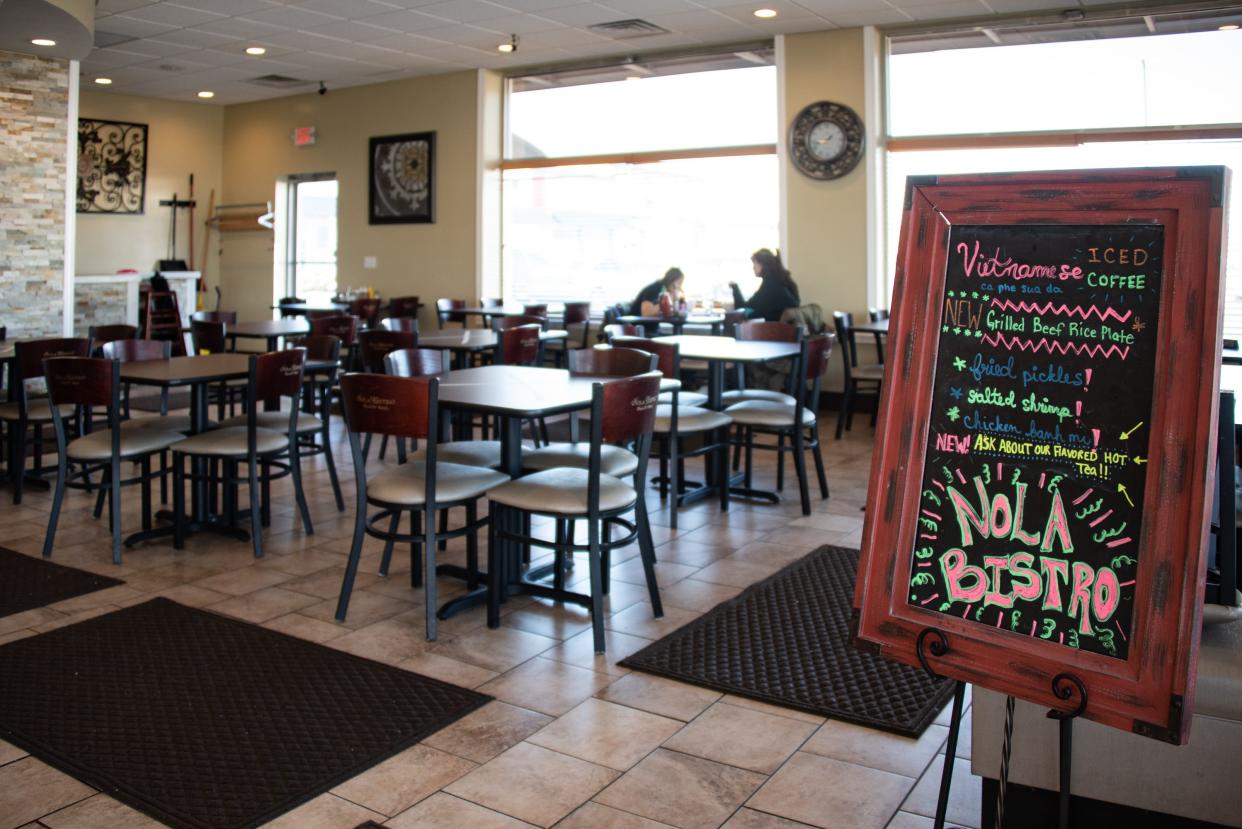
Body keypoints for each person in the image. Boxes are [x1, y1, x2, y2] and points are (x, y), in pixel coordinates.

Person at [730, 248, 800, 322]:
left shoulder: (770, 285)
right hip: (789, 331)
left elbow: (742, 308)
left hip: (775, 331)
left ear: (762, 265)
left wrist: (735, 287)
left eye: (755, 264)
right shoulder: (785, 282)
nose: (753, 268)